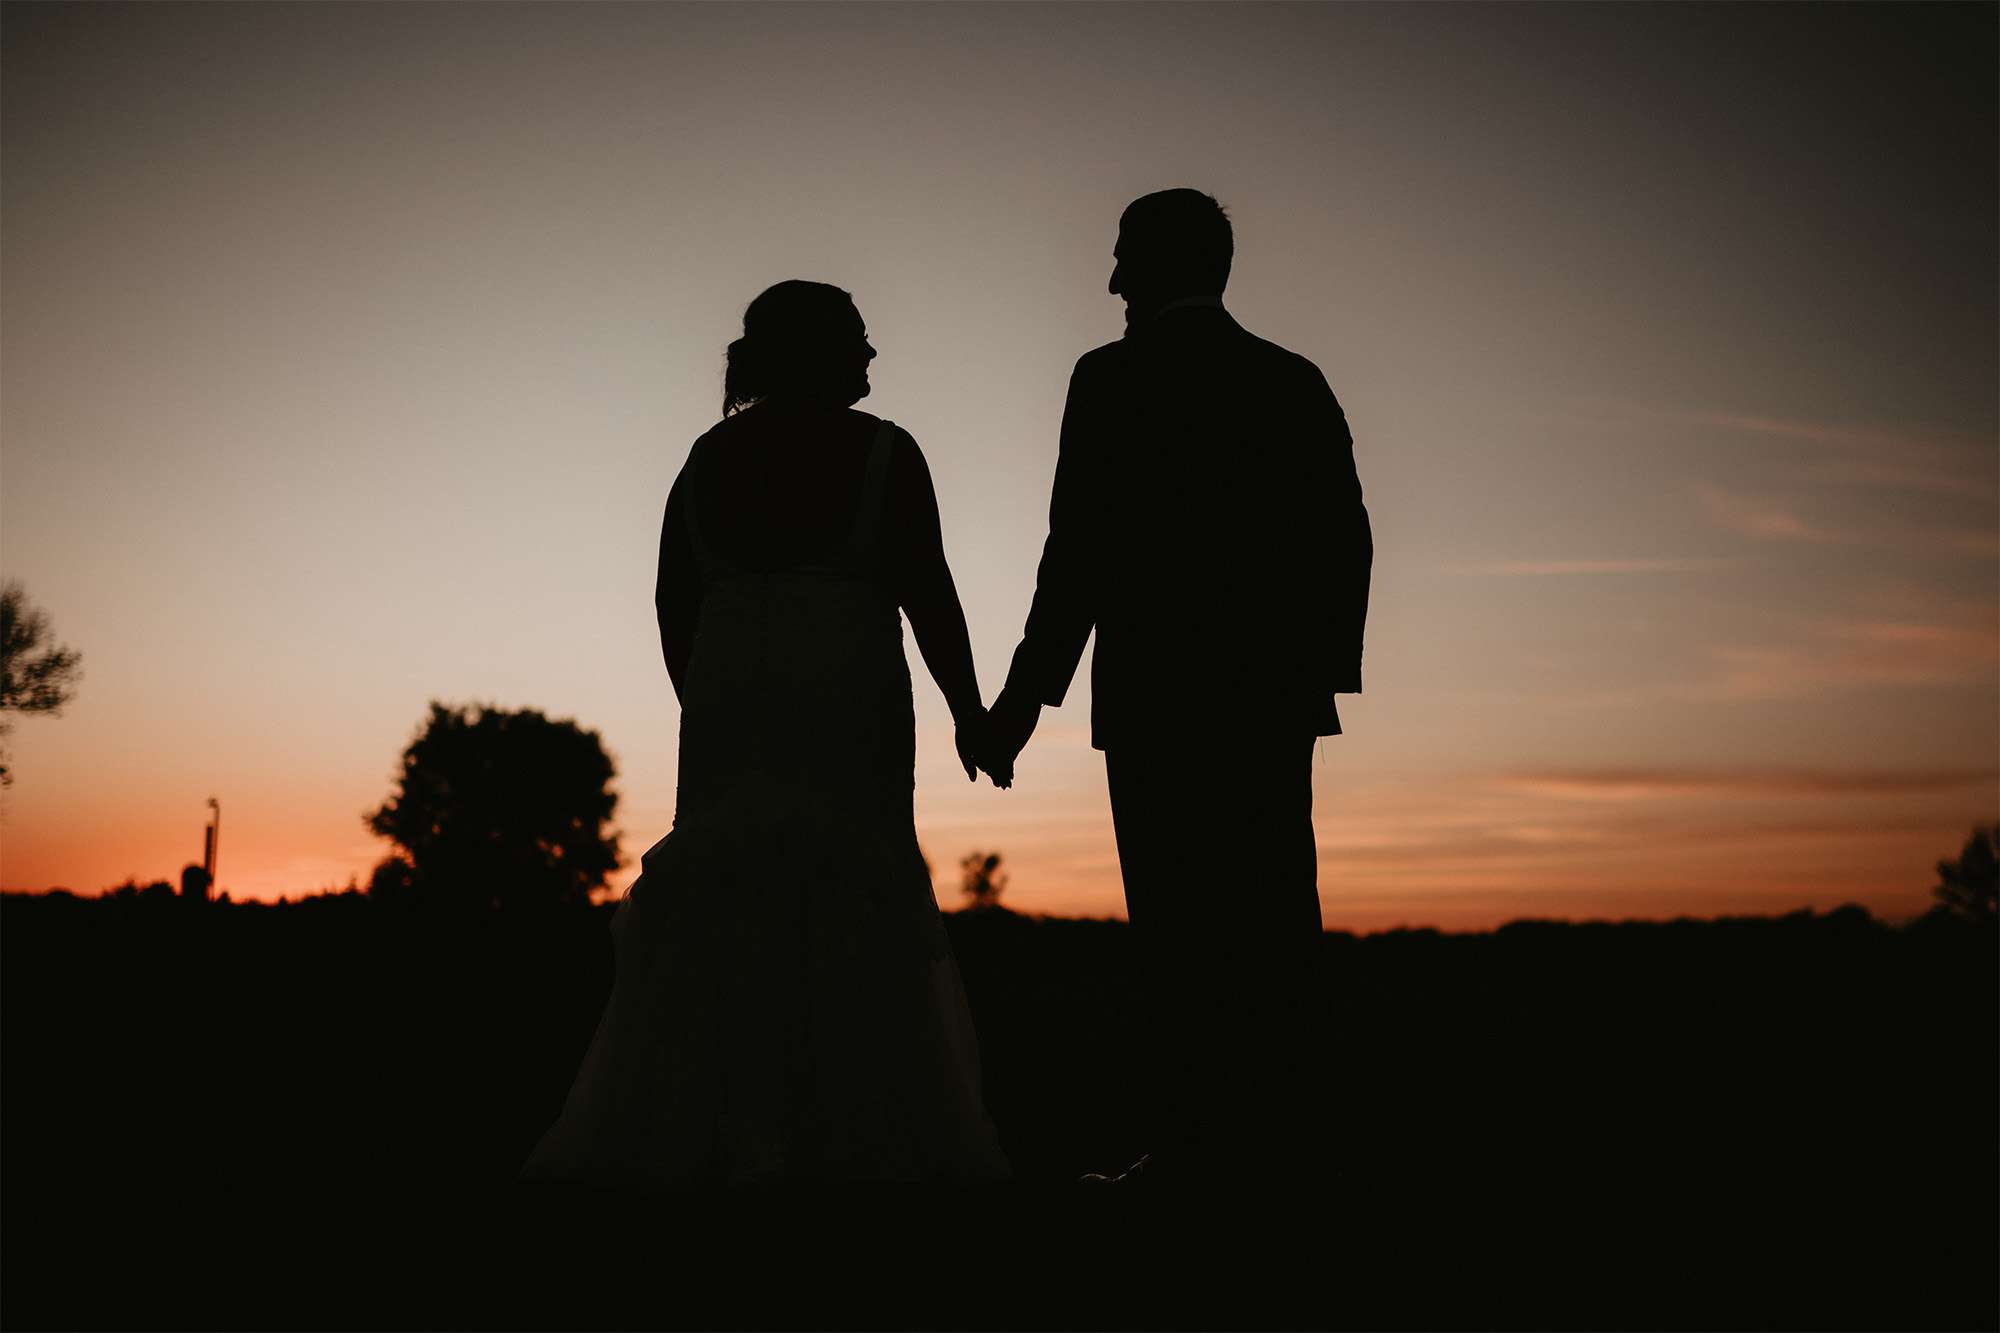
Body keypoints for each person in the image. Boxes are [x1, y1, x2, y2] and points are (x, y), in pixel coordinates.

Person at [523, 280, 1009, 1186]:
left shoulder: (704, 459)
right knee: (852, 885)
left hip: (728, 701)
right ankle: (856, 1143)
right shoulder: (888, 453)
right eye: (859, 340)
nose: (872, 357)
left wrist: (708, 695)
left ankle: (714, 1138)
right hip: (847, 692)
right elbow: (928, 591)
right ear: (821, 352)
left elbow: (674, 601)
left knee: (725, 892)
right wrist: (971, 712)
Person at [981, 189, 1372, 1181]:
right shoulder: (1292, 380)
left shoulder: (1110, 379)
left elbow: (1075, 551)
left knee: (1176, 929)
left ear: (1157, 265)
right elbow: (1345, 538)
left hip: (1156, 702)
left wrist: (1019, 705)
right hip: (1268, 707)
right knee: (1276, 916)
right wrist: (1312, 673)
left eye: (1120, 258)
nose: (1109, 280)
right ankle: (1290, 1147)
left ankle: (1196, 1150)